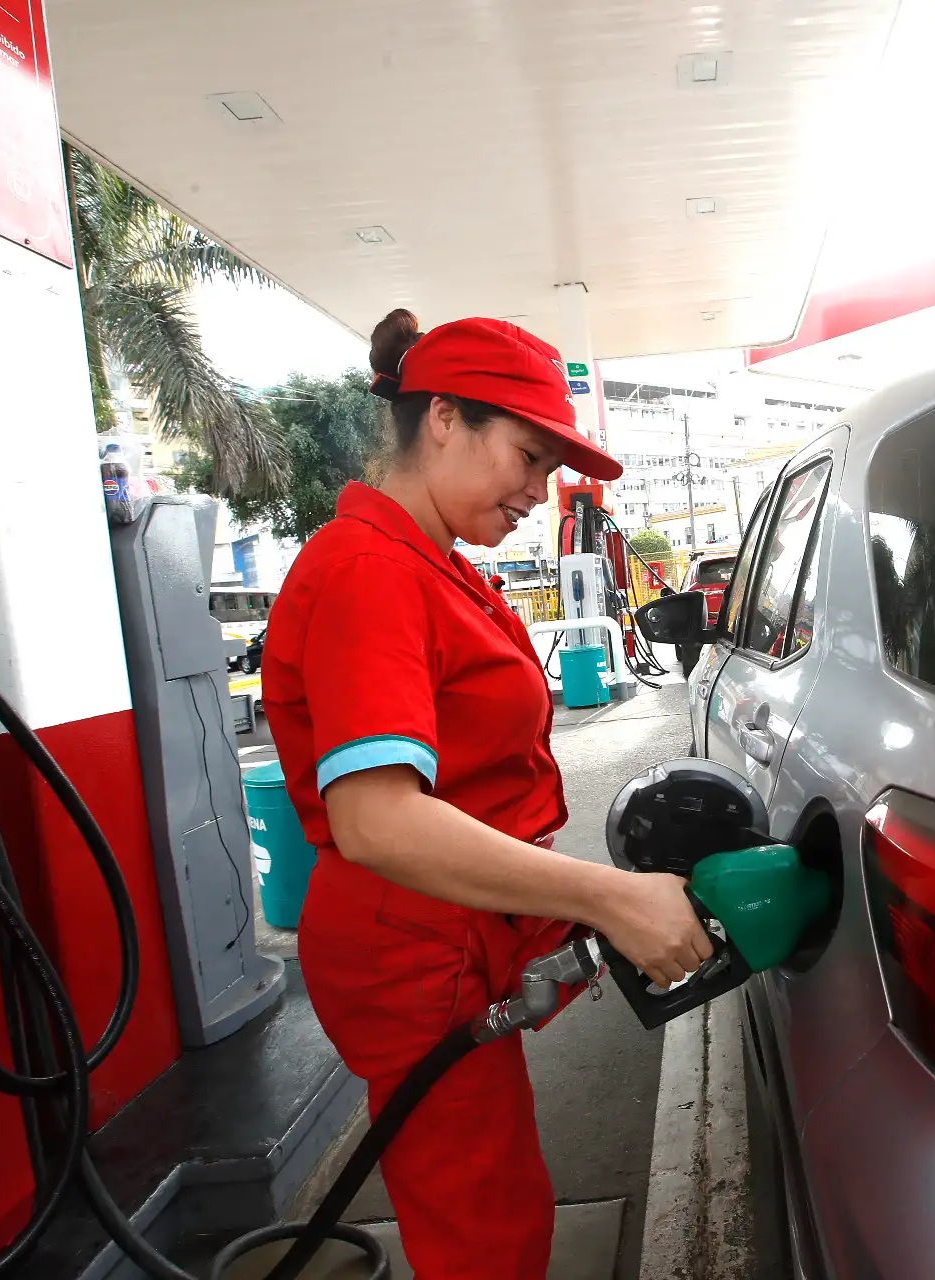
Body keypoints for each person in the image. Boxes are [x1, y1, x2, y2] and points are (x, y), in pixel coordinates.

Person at [263, 310, 711, 1277]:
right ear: (441, 421)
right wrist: (607, 895)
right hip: (411, 940)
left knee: (492, 1200)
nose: (540, 493)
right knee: (486, 1231)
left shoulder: (435, 567)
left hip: (459, 921)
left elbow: (471, 783)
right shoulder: (370, 569)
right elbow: (377, 821)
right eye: (528, 456)